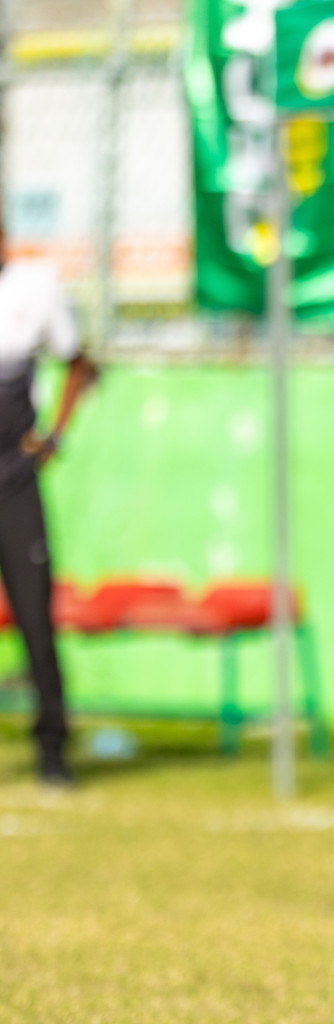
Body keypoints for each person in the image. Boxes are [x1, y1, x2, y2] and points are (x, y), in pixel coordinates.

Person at [0, 232, 98, 785]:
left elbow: (80, 365)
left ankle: (53, 750)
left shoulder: (33, 289)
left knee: (35, 621)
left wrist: (55, 434)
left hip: (14, 484)